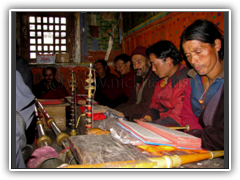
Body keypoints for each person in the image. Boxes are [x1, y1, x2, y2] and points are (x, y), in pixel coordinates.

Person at [179, 20, 224, 151]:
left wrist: (198, 138)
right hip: (202, 146)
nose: (193, 61)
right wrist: (195, 138)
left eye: (198, 51)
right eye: (188, 55)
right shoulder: (193, 80)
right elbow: (188, 117)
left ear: (216, 45)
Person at [134, 40, 189, 127]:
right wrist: (147, 118)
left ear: (169, 61)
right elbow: (154, 107)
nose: (153, 69)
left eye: (155, 64)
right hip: (161, 125)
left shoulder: (185, 81)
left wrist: (150, 125)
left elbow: (177, 119)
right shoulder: (161, 81)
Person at [115, 46, 160, 121]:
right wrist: (116, 110)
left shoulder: (153, 79)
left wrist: (122, 112)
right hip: (136, 115)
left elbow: (146, 107)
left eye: (139, 62)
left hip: (147, 118)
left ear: (149, 63)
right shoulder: (139, 79)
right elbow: (132, 100)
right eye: (134, 63)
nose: (136, 66)